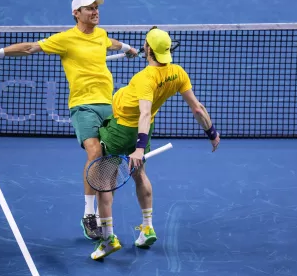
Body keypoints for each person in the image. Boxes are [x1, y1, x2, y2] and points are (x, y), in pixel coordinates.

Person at [0, 0, 138, 240]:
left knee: (109, 161)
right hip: (83, 106)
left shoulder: (101, 35)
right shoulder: (65, 39)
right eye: (89, 9)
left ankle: (106, 218)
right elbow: (30, 48)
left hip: (109, 104)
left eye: (96, 8)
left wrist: (128, 49)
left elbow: (111, 43)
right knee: (94, 152)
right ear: (76, 13)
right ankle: (88, 215)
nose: (95, 12)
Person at [90, 26, 220, 260]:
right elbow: (197, 108)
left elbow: (145, 113)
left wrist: (138, 149)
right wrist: (211, 132)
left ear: (148, 49)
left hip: (122, 130)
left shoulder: (144, 79)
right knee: (140, 174)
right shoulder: (178, 72)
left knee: (105, 181)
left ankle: (108, 238)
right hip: (144, 131)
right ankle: (147, 227)